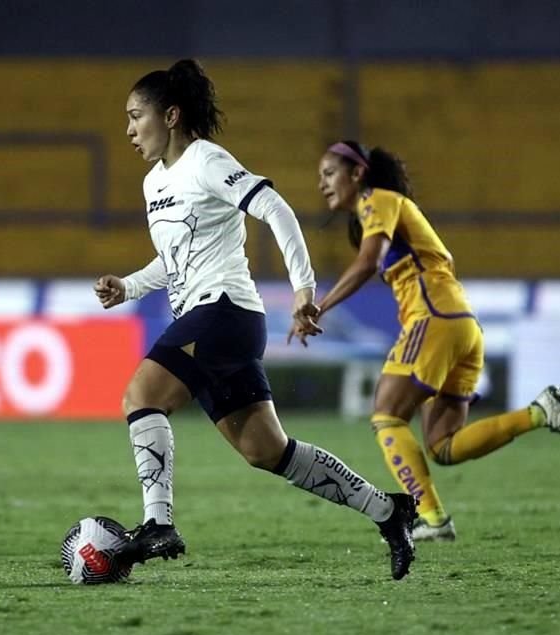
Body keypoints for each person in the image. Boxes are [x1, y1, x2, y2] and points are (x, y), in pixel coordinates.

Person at [94, 61, 418, 580]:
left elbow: (276, 208)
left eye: (137, 117)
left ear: (171, 116)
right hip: (212, 320)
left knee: (141, 395)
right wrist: (129, 286)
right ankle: (389, 510)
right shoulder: (154, 182)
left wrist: (304, 289)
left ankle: (158, 522)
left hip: (224, 313)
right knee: (268, 451)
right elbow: (174, 258)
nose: (130, 130)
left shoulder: (206, 161)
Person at [291, 140, 560, 542]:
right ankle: (541, 413)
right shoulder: (384, 209)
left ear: (357, 174)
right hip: (462, 324)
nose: (323, 184)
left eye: (329, 174)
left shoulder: (378, 199)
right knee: (442, 445)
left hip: (433, 318)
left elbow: (367, 262)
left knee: (386, 415)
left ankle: (432, 519)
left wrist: (320, 305)